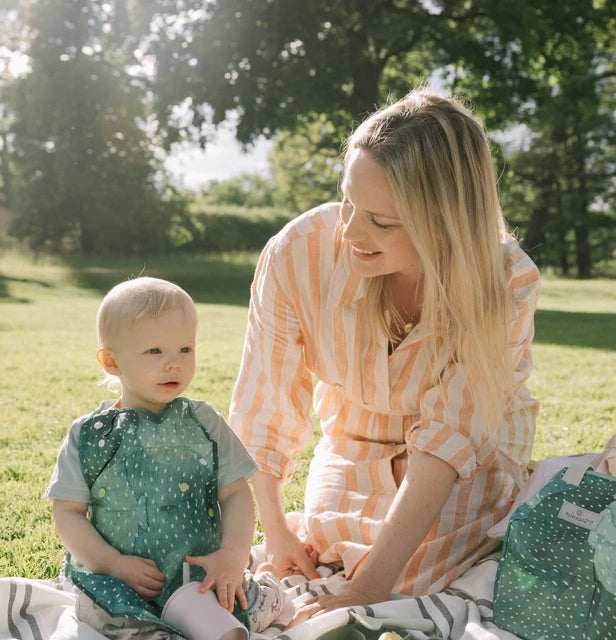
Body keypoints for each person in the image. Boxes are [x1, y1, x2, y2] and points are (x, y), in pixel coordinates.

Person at [228, 89, 541, 619]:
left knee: (413, 581)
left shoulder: (503, 280)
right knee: (325, 552)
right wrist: (276, 531)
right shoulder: (297, 253)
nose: (349, 230)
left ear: (444, 220)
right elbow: (264, 405)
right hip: (353, 442)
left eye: (381, 220)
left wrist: (366, 591)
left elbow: (449, 440)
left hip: (460, 463)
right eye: (348, 201)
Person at [45, 277, 282, 637]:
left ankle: (262, 598)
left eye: (185, 349)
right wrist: (112, 564)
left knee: (236, 615)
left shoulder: (204, 423)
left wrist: (233, 554)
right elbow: (67, 512)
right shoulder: (91, 435)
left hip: (199, 579)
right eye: (155, 352)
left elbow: (235, 493)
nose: (174, 363)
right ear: (111, 361)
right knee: (109, 621)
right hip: (119, 583)